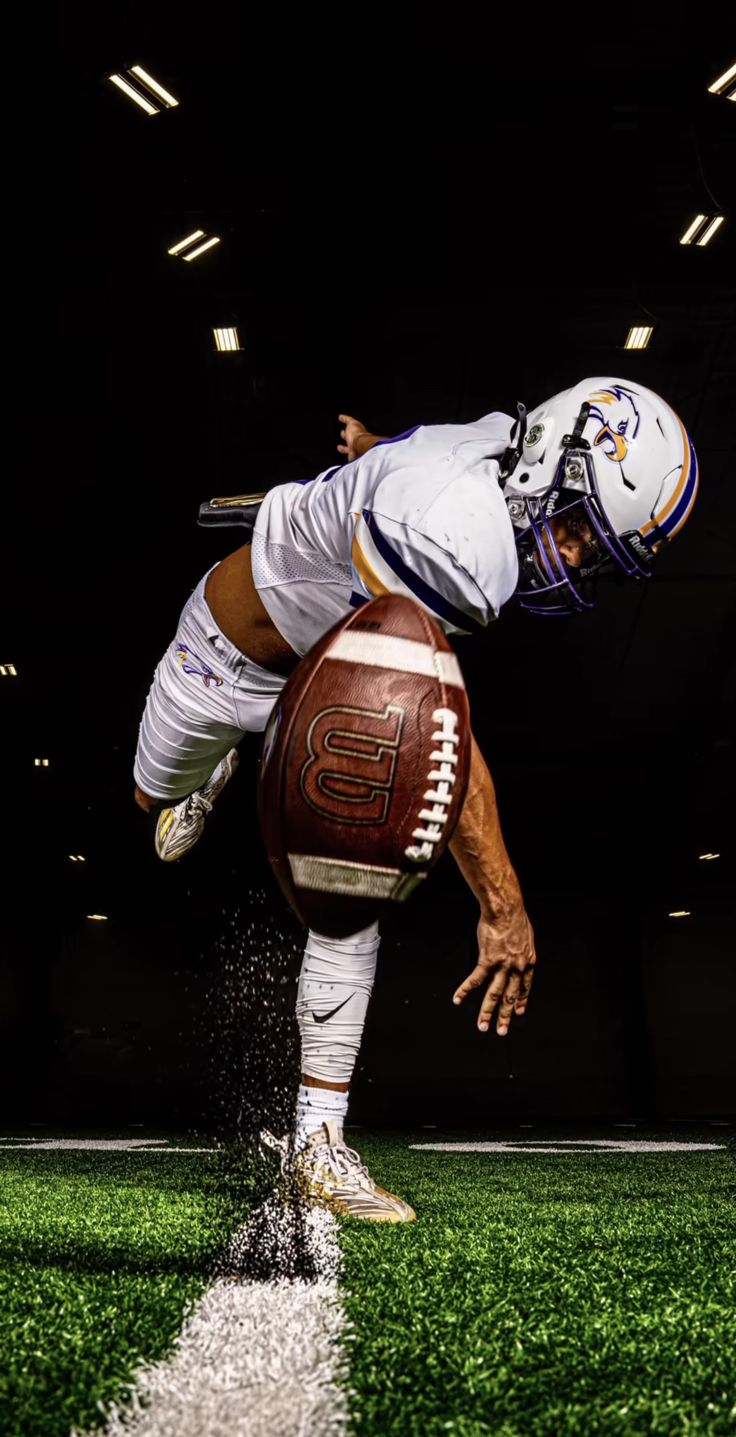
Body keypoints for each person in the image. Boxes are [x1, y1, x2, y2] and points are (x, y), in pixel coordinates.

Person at [133, 377, 699, 1221]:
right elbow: (448, 737)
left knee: (353, 880)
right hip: (226, 657)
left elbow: (436, 444)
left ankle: (317, 1143)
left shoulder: (502, 442)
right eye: (578, 529)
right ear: (548, 458)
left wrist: (373, 452)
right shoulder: (458, 537)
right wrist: (504, 905)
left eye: (593, 551)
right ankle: (213, 768)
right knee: (152, 799)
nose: (573, 558)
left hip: (327, 683)